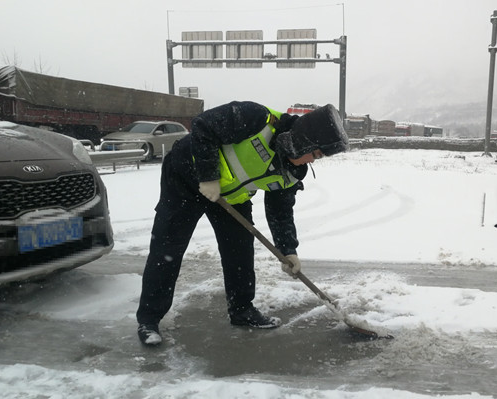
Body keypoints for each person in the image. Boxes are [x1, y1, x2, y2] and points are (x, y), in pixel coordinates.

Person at [136, 101, 349, 345]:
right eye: (316, 154)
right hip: (185, 178)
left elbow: (280, 212)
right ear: (305, 142)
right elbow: (203, 126)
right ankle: (149, 319)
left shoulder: (290, 173)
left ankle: (242, 310)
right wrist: (208, 176)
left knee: (239, 250)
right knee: (168, 249)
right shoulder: (258, 119)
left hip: (230, 199)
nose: (313, 161)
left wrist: (288, 250)